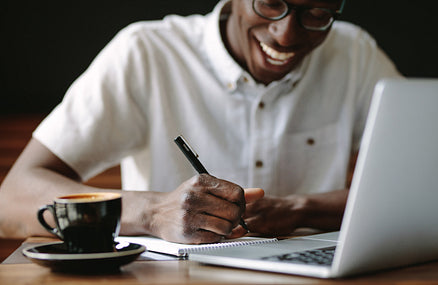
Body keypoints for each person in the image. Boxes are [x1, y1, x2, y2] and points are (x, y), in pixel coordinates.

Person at [0, 0, 401, 244]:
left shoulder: (355, 55)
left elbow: (419, 189)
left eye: (316, 13)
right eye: (269, 3)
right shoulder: (147, 54)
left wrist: (301, 210)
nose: (285, 36)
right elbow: (11, 201)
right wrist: (153, 212)